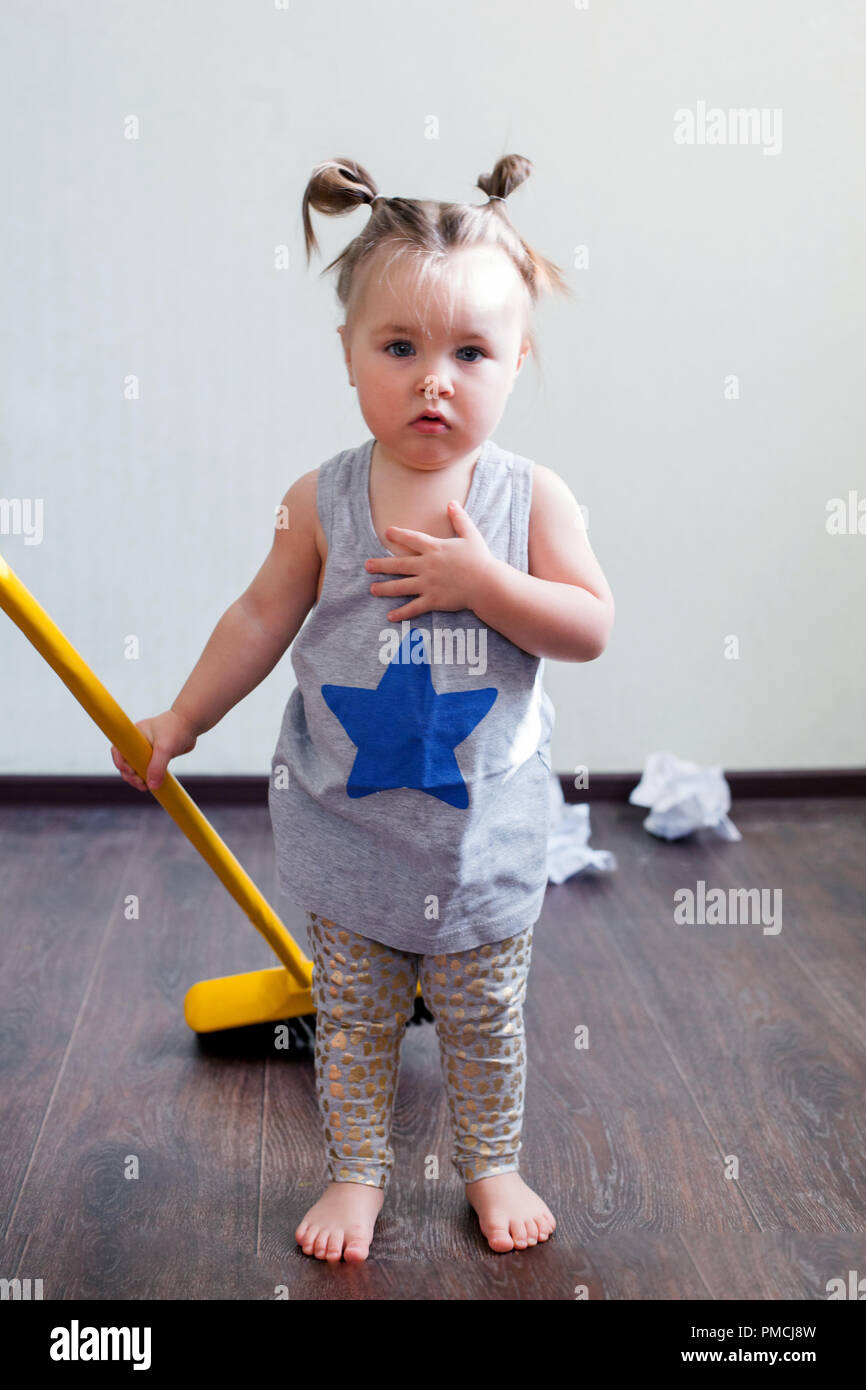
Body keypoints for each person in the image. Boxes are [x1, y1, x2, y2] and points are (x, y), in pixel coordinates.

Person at [111, 153, 615, 1263]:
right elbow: (257, 618)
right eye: (401, 348)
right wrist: (179, 720)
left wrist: (487, 585)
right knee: (350, 1022)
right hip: (349, 832)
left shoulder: (530, 500)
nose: (435, 380)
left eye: (470, 353)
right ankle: (355, 1170)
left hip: (482, 837)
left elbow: (586, 623)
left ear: (516, 360)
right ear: (348, 357)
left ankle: (490, 1161)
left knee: (482, 1020)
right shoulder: (321, 501)